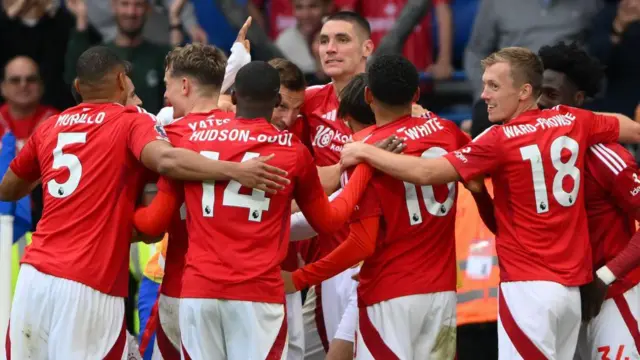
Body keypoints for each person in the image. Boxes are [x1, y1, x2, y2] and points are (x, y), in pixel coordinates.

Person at [339, 47, 640, 359]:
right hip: (570, 294)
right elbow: (625, 125)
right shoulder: (572, 120)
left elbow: (427, 172)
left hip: (528, 291)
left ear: (524, 91)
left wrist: (364, 151)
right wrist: (480, 193)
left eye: (494, 86)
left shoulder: (498, 139)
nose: (484, 95)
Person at [1, 46, 289, 359]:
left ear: (80, 87)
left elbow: (8, 189)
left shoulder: (50, 125)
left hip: (34, 278)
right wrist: (236, 171)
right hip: (89, 281)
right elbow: (165, 161)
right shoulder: (130, 121)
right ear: (122, 81)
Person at [132, 60, 373, 359]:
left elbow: (153, 221)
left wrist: (120, 216)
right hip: (257, 296)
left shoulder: (192, 142)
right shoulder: (293, 152)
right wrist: (364, 169)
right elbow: (329, 221)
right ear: (275, 101)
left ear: (233, 97)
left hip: (198, 292)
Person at [285, 54, 474, 359]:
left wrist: (298, 279)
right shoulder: (446, 130)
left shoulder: (362, 150)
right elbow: (477, 177)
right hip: (442, 291)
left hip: (389, 292)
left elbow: (360, 242)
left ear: (369, 95)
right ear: (416, 95)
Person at [537, 41, 640, 360]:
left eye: (552, 95)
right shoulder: (524, 153)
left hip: (612, 296)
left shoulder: (605, 155)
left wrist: (605, 277)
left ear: (578, 100)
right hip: (561, 300)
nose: (541, 104)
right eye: (537, 93)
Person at [291, 12, 374, 359]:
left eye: (342, 39)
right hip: (326, 254)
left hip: (370, 252)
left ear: (368, 47)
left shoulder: (389, 103)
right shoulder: (309, 101)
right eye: (324, 41)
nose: (330, 48)